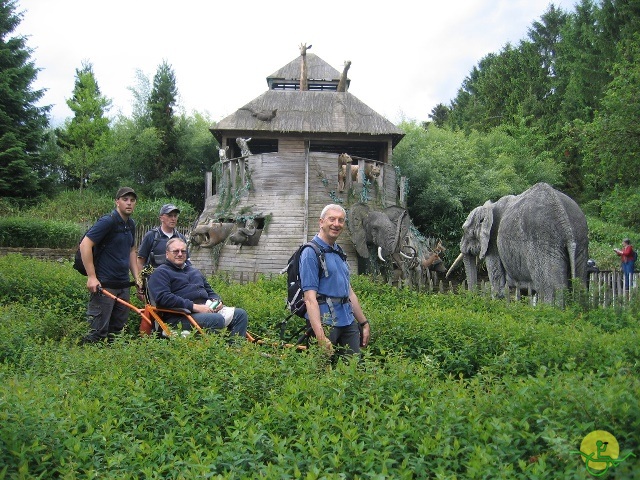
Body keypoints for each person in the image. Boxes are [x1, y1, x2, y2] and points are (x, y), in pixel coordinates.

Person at [300, 204, 370, 361]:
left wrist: (364, 323)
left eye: (341, 220)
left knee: (354, 368)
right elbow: (310, 299)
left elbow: (349, 292)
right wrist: (320, 336)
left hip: (347, 320)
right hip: (325, 323)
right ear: (321, 222)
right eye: (332, 219)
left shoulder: (338, 251)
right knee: (321, 371)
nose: (336, 224)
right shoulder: (311, 253)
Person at [147, 238, 248, 338]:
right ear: (167, 254)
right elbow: (164, 298)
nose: (180, 254)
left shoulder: (194, 271)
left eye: (183, 251)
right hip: (180, 316)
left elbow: (209, 290)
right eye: (175, 251)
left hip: (205, 310)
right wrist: (194, 307)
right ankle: (211, 351)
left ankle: (235, 349)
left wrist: (217, 301)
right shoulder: (161, 273)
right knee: (215, 319)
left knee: (240, 314)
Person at [80, 187, 140, 343]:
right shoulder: (108, 221)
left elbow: (132, 251)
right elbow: (85, 245)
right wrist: (92, 277)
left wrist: (137, 278)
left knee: (117, 333)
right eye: (125, 199)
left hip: (123, 285)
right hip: (105, 286)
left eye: (132, 200)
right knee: (98, 332)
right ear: (117, 202)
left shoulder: (131, 224)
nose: (129, 203)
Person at [136, 204, 188, 299]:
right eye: (169, 215)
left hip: (177, 285)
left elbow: (186, 263)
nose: (173, 218)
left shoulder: (181, 238)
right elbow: (140, 261)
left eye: (175, 216)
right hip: (155, 284)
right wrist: (140, 284)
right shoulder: (151, 236)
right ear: (161, 218)